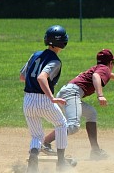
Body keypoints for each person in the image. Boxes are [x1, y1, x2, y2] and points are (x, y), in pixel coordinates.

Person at [42, 49, 114, 160]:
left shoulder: (99, 67)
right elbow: (96, 77)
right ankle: (45, 142)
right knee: (73, 126)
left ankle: (95, 151)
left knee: (91, 113)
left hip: (69, 92)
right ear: (110, 63)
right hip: (72, 93)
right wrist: (100, 95)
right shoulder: (104, 69)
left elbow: (105, 75)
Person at [20, 25, 74, 172]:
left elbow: (22, 76)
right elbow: (41, 77)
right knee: (62, 124)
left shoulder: (35, 55)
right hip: (43, 100)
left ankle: (33, 161)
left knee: (36, 135)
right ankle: (61, 163)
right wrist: (52, 98)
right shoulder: (55, 61)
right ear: (63, 42)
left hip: (28, 101)